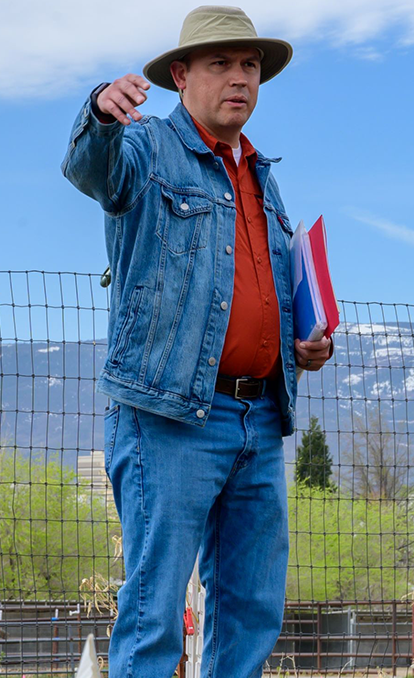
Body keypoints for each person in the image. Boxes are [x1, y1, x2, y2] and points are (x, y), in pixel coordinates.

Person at [62, 6, 333, 676]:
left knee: (250, 611)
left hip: (261, 417)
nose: (239, 77)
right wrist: (99, 109)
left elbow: (259, 293)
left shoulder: (263, 179)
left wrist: (301, 345)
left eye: (250, 65)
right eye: (221, 64)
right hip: (168, 419)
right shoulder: (147, 149)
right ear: (181, 75)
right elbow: (90, 169)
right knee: (154, 613)